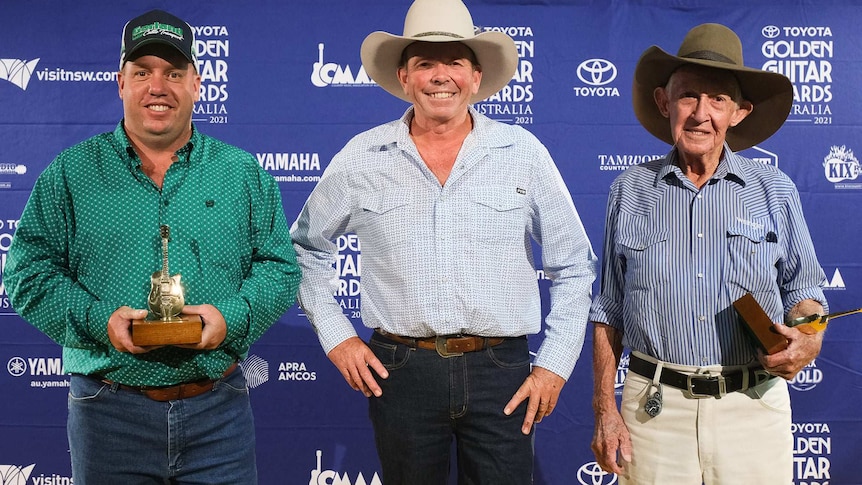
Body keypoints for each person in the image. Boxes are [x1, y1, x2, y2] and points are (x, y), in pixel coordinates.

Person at [290, 0, 596, 482]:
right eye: (425, 63)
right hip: (401, 371)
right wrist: (338, 338)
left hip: (502, 371)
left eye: (454, 61)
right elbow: (305, 249)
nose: (440, 76)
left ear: (475, 77)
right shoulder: (363, 156)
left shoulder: (521, 152)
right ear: (404, 78)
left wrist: (554, 364)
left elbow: (575, 265)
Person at [3, 9, 300, 485]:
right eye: (142, 72)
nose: (157, 87)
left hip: (218, 412)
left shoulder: (242, 173)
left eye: (173, 73)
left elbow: (279, 268)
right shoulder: (70, 173)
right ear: (121, 82)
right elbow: (25, 274)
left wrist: (233, 316)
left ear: (197, 84)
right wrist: (98, 320)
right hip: (107, 413)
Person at [589, 23, 828, 484]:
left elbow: (805, 292)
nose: (701, 113)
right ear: (664, 103)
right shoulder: (629, 190)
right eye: (688, 96)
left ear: (739, 112)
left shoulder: (773, 189)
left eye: (718, 99)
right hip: (652, 413)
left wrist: (810, 337)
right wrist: (605, 407)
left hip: (753, 409)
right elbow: (609, 310)